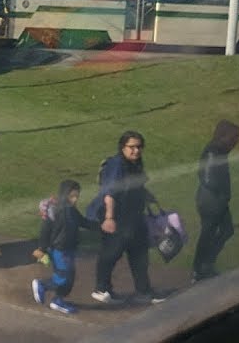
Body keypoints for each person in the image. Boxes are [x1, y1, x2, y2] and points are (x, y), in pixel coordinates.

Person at [87, 131, 163, 304]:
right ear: (123, 147)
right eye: (132, 147)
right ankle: (102, 289)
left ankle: (143, 292)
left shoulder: (135, 164)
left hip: (134, 217)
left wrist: (146, 195)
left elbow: (136, 186)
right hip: (116, 216)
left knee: (139, 254)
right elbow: (109, 193)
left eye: (139, 147)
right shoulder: (116, 165)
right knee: (111, 253)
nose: (136, 151)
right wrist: (109, 218)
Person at [32, 179, 98, 315]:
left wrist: (101, 227)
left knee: (70, 277)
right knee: (63, 277)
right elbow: (45, 231)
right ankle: (42, 285)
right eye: (72, 196)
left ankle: (58, 300)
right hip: (59, 250)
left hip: (69, 249)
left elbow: (83, 222)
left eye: (77, 196)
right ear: (65, 195)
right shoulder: (55, 211)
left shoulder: (72, 211)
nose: (75, 200)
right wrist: (41, 249)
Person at [193, 120, 239, 282]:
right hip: (210, 201)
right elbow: (206, 177)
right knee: (208, 234)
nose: (236, 141)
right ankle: (199, 269)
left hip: (217, 200)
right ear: (223, 136)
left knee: (226, 230)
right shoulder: (213, 152)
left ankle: (206, 265)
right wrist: (221, 194)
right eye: (234, 137)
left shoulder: (220, 150)